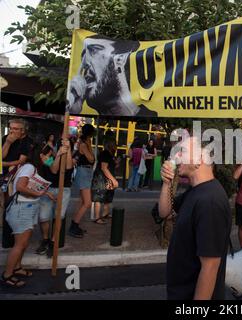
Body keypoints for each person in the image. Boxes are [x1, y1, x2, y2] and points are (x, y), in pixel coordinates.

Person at [159, 136, 231, 300]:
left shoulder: (210, 201)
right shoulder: (195, 191)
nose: (176, 156)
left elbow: (210, 267)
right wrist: (166, 183)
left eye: (182, 151)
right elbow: (165, 212)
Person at [1, 147, 55, 288]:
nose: (49, 159)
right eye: (48, 156)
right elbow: (20, 186)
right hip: (21, 209)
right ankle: (7, 275)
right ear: (40, 155)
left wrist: (43, 192)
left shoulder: (31, 168)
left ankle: (17, 268)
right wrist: (38, 194)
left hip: (27, 208)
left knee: (23, 243)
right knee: (20, 244)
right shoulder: (29, 167)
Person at [66, 35, 157, 117]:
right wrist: (72, 110)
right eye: (83, 55)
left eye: (94, 50)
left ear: (119, 58)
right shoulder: (81, 111)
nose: (84, 64)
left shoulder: (150, 119)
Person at [36, 140, 74, 257]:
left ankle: (53, 242)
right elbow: (53, 169)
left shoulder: (68, 159)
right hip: (49, 190)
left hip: (63, 190)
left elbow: (68, 167)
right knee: (43, 217)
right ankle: (45, 239)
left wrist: (66, 151)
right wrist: (57, 155)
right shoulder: (47, 158)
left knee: (58, 217)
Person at [69, 124, 95, 238]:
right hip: (84, 172)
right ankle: (74, 226)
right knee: (87, 203)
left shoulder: (84, 143)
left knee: (82, 201)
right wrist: (89, 146)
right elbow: (91, 159)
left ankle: (75, 223)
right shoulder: (84, 144)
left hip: (86, 172)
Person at [91, 139, 119, 224]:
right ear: (111, 145)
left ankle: (105, 214)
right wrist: (114, 180)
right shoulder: (105, 153)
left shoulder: (109, 154)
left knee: (108, 196)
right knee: (99, 197)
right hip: (101, 178)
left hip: (106, 178)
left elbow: (110, 166)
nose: (116, 146)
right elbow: (104, 168)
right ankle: (97, 217)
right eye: (115, 144)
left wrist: (116, 162)